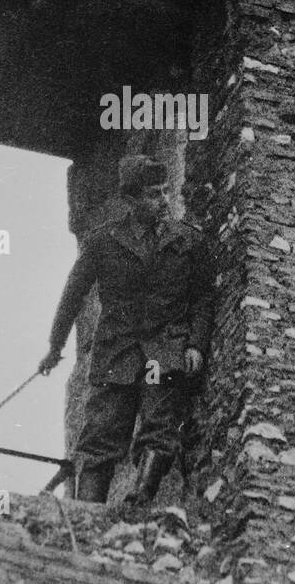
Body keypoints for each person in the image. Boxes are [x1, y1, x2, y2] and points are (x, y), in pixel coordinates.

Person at [38, 156, 214, 505]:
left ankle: (139, 502)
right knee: (101, 435)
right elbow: (72, 295)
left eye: (165, 192)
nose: (163, 201)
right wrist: (55, 346)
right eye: (153, 195)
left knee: (159, 428)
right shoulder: (103, 242)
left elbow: (203, 296)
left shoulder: (187, 241)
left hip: (163, 353)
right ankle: (87, 511)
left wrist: (196, 343)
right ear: (131, 201)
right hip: (117, 355)